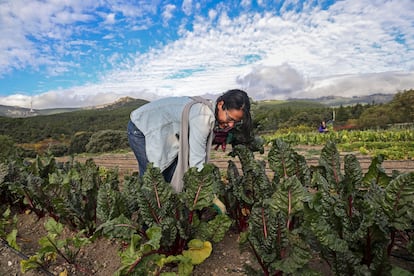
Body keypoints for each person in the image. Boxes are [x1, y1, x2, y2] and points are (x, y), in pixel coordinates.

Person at [127, 89, 252, 192]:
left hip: (161, 130)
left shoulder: (208, 110)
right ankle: (149, 220)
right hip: (140, 128)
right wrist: (204, 192)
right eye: (229, 118)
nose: (230, 125)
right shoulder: (202, 116)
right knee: (152, 178)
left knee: (169, 176)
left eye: (235, 122)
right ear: (220, 105)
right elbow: (196, 160)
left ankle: (168, 211)